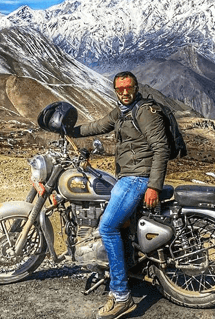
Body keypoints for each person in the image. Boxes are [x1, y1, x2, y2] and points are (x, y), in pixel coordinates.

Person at [71, 71, 170, 319]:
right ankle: (129, 269)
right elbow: (99, 125)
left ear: (136, 87)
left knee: (107, 228)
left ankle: (121, 296)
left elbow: (161, 148)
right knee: (120, 224)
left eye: (129, 88)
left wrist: (154, 186)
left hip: (138, 178)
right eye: (120, 89)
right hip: (129, 176)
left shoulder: (145, 111)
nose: (125, 92)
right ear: (115, 90)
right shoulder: (122, 111)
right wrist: (70, 131)